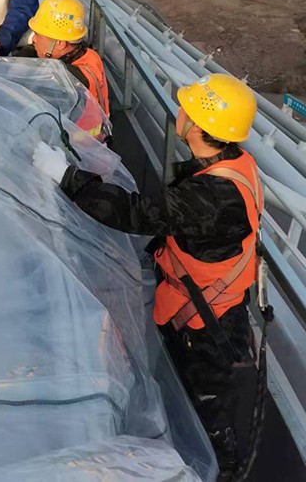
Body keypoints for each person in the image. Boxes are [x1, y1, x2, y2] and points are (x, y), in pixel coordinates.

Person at [33, 73, 262, 478]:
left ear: (199, 124)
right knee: (200, 403)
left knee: (208, 413)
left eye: (187, 109)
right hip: (215, 312)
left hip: (206, 327)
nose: (180, 112)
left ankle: (219, 472)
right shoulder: (235, 166)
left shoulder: (211, 195)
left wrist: (66, 177)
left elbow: (133, 213)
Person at [12, 0, 110, 140]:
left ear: (60, 43)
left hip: (78, 148)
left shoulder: (72, 79)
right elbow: (36, 51)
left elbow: (48, 78)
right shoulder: (88, 55)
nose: (33, 40)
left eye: (38, 35)